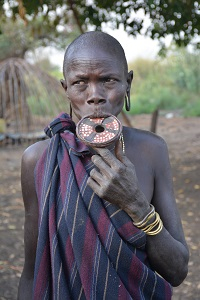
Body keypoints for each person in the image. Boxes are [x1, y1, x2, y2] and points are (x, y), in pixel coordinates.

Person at [18, 31, 189, 300]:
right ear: (66, 89)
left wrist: (136, 204)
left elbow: (177, 270)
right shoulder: (38, 159)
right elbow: (32, 271)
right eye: (80, 83)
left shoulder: (152, 150)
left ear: (128, 83)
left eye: (108, 80)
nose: (95, 95)